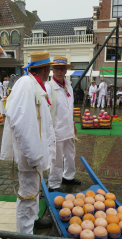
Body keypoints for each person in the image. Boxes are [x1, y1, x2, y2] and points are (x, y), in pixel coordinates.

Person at [0, 51, 56, 234]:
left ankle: (32, 220)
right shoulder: (26, 84)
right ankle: (25, 233)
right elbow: (20, 121)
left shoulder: (35, 84)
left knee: (34, 190)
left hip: (35, 152)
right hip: (30, 153)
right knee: (27, 193)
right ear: (46, 68)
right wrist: (33, 156)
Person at [45, 56, 81, 192]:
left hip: (68, 128)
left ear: (66, 70)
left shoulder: (68, 86)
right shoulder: (49, 87)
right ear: (52, 70)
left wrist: (72, 124)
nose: (59, 71)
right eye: (56, 68)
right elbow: (46, 111)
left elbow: (69, 108)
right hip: (56, 130)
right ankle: (54, 183)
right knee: (57, 158)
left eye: (62, 68)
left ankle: (68, 177)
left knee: (71, 154)